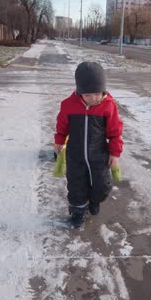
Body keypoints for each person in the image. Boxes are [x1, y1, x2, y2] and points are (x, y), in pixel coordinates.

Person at [54, 62, 124, 228]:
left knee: (101, 184)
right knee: (76, 184)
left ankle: (95, 200)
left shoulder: (108, 105)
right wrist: (59, 141)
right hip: (75, 155)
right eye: (87, 95)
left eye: (96, 94)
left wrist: (115, 154)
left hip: (99, 154)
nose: (93, 99)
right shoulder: (68, 105)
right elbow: (62, 126)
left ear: (103, 90)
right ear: (79, 92)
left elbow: (115, 132)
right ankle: (78, 211)